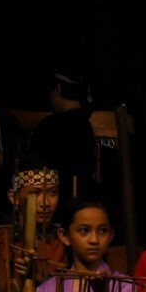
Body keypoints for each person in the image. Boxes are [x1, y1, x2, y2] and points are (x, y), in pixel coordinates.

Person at [31, 69, 96, 200]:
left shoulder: (50, 126)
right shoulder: (86, 126)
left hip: (53, 200)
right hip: (84, 199)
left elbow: (32, 167)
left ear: (58, 89)